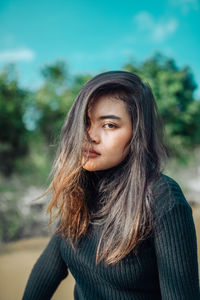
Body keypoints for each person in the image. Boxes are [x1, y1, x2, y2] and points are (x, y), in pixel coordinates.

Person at [22, 71, 200, 300]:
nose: (90, 136)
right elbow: (47, 270)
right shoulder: (79, 189)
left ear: (137, 134)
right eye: (85, 122)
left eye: (108, 125)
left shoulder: (162, 196)